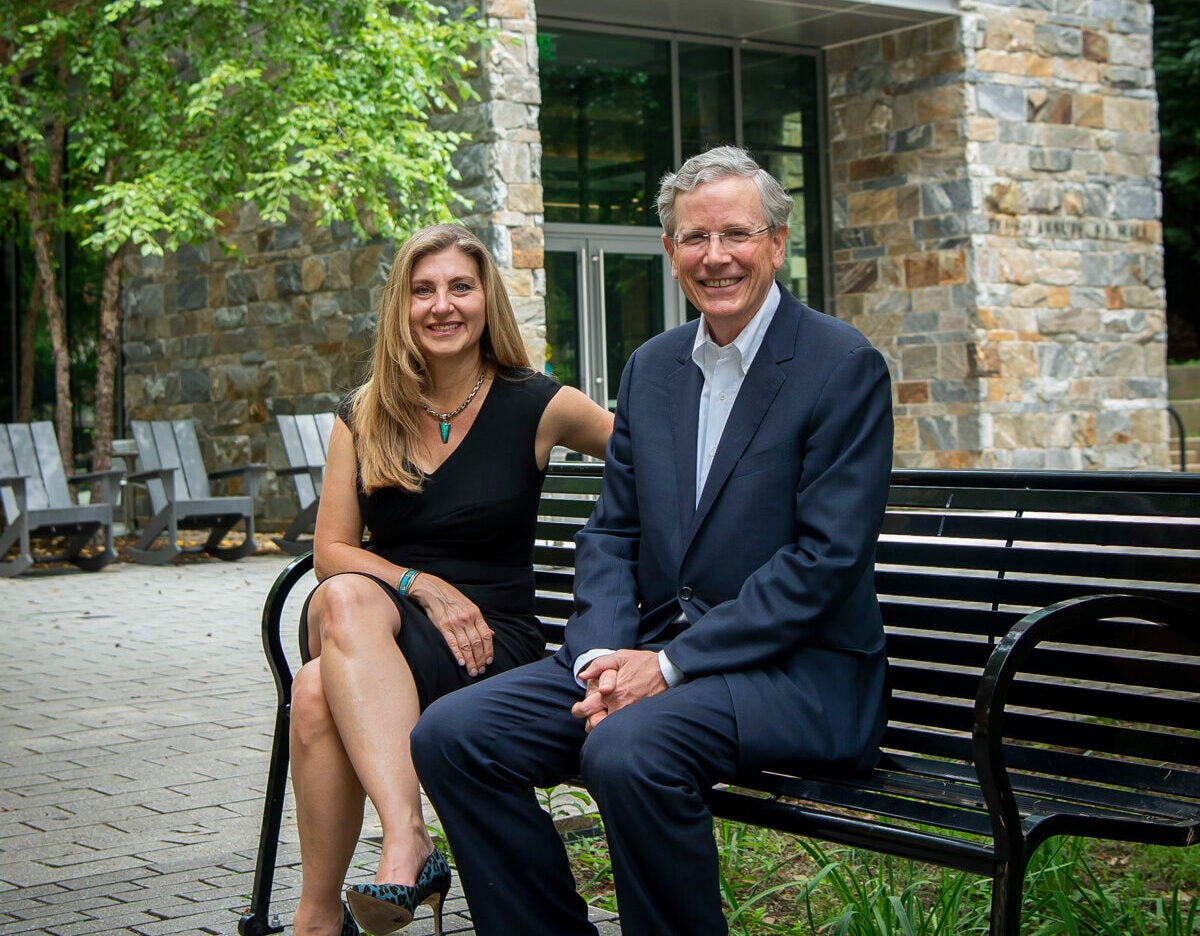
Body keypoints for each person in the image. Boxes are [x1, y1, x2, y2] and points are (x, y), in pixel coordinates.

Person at [410, 146, 895, 935]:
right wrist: (603, 656)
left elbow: (824, 562)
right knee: (455, 734)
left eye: (736, 234)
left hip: (803, 677)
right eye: (694, 239)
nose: (716, 257)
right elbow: (612, 531)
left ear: (776, 242)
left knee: (627, 750)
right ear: (671, 253)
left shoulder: (841, 366)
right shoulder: (653, 367)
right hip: (652, 659)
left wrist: (668, 665)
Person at [288, 223, 613, 936]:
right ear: (399, 307)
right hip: (390, 633)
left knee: (317, 686)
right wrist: (422, 585)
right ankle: (400, 845)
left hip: (492, 648)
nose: (442, 305)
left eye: (460, 287)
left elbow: (650, 452)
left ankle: (327, 912)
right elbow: (331, 550)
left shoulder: (538, 402)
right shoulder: (363, 412)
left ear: (486, 300)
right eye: (422, 289)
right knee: (338, 606)